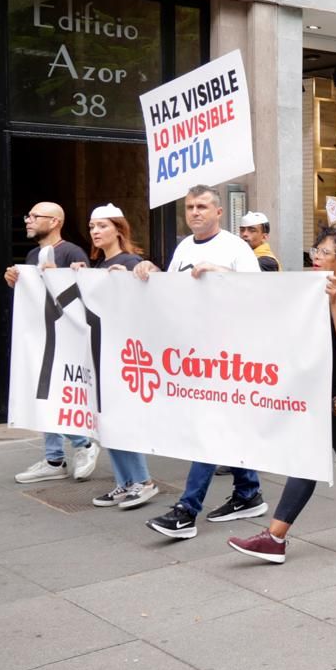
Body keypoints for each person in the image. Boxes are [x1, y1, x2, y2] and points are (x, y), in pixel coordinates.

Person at [227, 228, 336, 563]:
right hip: (323, 394)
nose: (314, 257)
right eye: (315, 251)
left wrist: (334, 303)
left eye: (322, 252)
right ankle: (275, 537)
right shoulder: (311, 289)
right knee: (307, 459)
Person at [141, 185, 266, 539]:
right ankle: (248, 492)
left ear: (218, 213)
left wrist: (222, 274)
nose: (194, 212)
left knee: (209, 430)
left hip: (229, 355)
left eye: (202, 207)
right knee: (223, 426)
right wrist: (151, 274)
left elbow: (258, 296)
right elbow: (174, 295)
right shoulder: (182, 247)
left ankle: (187, 509)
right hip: (195, 354)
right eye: (190, 207)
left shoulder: (236, 248)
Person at [72, 204, 159, 509]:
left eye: (102, 226)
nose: (95, 231)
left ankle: (143, 481)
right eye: (92, 226)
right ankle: (124, 482)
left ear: (119, 230)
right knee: (106, 421)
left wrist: (136, 276)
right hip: (101, 353)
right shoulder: (98, 267)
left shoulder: (130, 262)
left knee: (120, 419)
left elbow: (150, 294)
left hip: (122, 354)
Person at [5, 201, 98, 484]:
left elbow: (83, 292)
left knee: (56, 393)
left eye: (35, 216)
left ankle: (83, 443)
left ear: (55, 221)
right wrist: (16, 282)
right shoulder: (34, 253)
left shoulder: (72, 251)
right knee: (44, 392)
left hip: (64, 337)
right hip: (42, 334)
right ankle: (54, 458)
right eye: (28, 215)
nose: (28, 220)